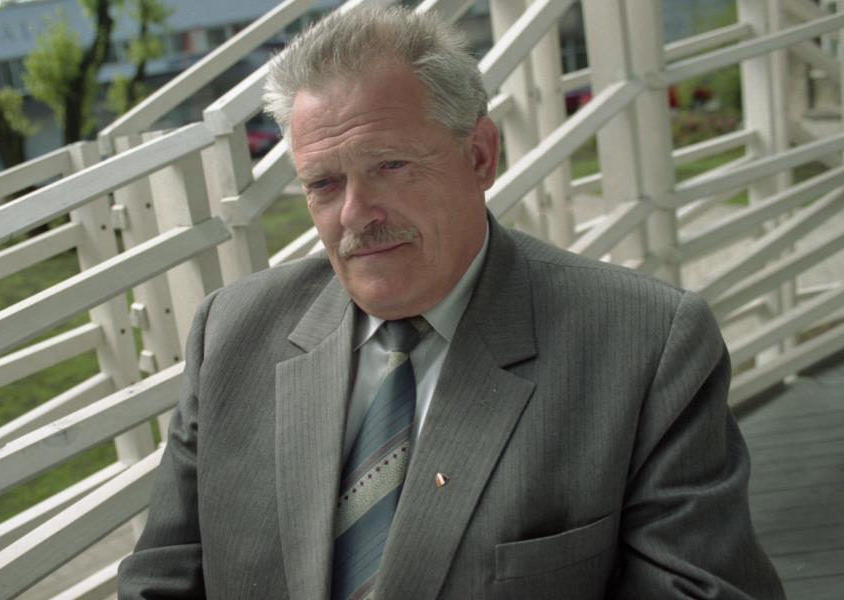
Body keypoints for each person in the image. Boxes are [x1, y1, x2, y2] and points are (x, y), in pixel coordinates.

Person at [118, 7, 784, 599]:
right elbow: (161, 581)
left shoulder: (645, 344)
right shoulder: (230, 334)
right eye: (323, 183)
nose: (355, 214)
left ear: (480, 156)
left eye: (390, 166)